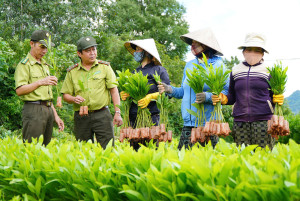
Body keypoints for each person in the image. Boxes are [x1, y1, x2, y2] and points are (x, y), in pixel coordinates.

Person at [159, 28, 228, 150]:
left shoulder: (219, 65)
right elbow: (183, 92)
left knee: (206, 163)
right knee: (182, 160)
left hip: (208, 124)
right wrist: (169, 89)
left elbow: (226, 93)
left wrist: (207, 97)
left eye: (197, 42)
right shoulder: (189, 65)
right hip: (188, 124)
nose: (193, 45)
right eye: (192, 42)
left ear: (207, 45)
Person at [212, 32, 284, 149]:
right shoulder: (236, 70)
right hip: (240, 121)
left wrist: (278, 98)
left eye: (257, 50)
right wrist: (223, 99)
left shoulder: (268, 71)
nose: (252, 53)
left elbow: (274, 95)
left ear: (262, 53)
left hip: (263, 121)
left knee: (263, 156)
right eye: (249, 49)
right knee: (243, 156)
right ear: (243, 51)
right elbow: (232, 96)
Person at [60, 36, 123, 149]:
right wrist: (74, 99)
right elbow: (65, 95)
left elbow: (114, 91)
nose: (92, 53)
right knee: (83, 149)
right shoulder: (72, 72)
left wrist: (117, 112)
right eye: (88, 51)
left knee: (108, 149)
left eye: (94, 49)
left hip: (102, 114)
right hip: (81, 115)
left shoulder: (105, 67)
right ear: (79, 53)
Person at [14, 30, 64, 146]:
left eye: (47, 48)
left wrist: (56, 116)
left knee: (45, 147)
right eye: (42, 47)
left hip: (48, 109)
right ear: (32, 44)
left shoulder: (45, 65)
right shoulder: (24, 65)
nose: (45, 51)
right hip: (33, 109)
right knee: (31, 148)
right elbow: (19, 90)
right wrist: (40, 82)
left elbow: (46, 95)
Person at [121, 38, 171, 150]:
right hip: (134, 118)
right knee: (135, 151)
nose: (135, 52)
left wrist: (151, 97)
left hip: (151, 117)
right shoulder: (135, 72)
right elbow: (131, 93)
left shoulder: (159, 70)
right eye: (136, 50)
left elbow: (167, 93)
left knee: (151, 150)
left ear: (147, 52)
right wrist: (127, 94)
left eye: (138, 49)